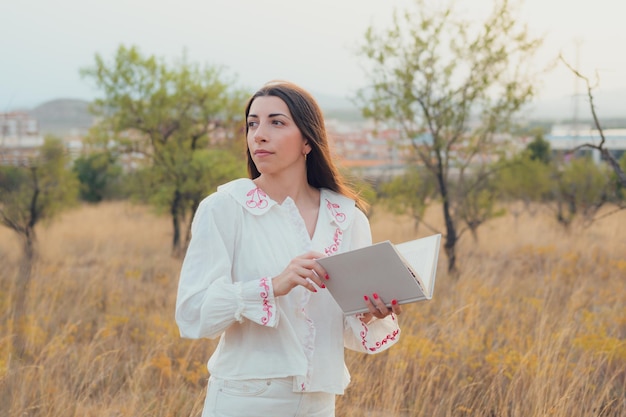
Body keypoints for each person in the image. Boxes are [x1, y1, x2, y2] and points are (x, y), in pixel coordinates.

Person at [175, 80, 402, 417]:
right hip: (244, 399)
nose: (259, 135)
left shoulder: (347, 218)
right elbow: (192, 315)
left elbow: (346, 334)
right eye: (253, 123)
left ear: (308, 140)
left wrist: (368, 313)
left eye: (276, 122)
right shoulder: (225, 208)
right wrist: (271, 287)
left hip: (318, 404)